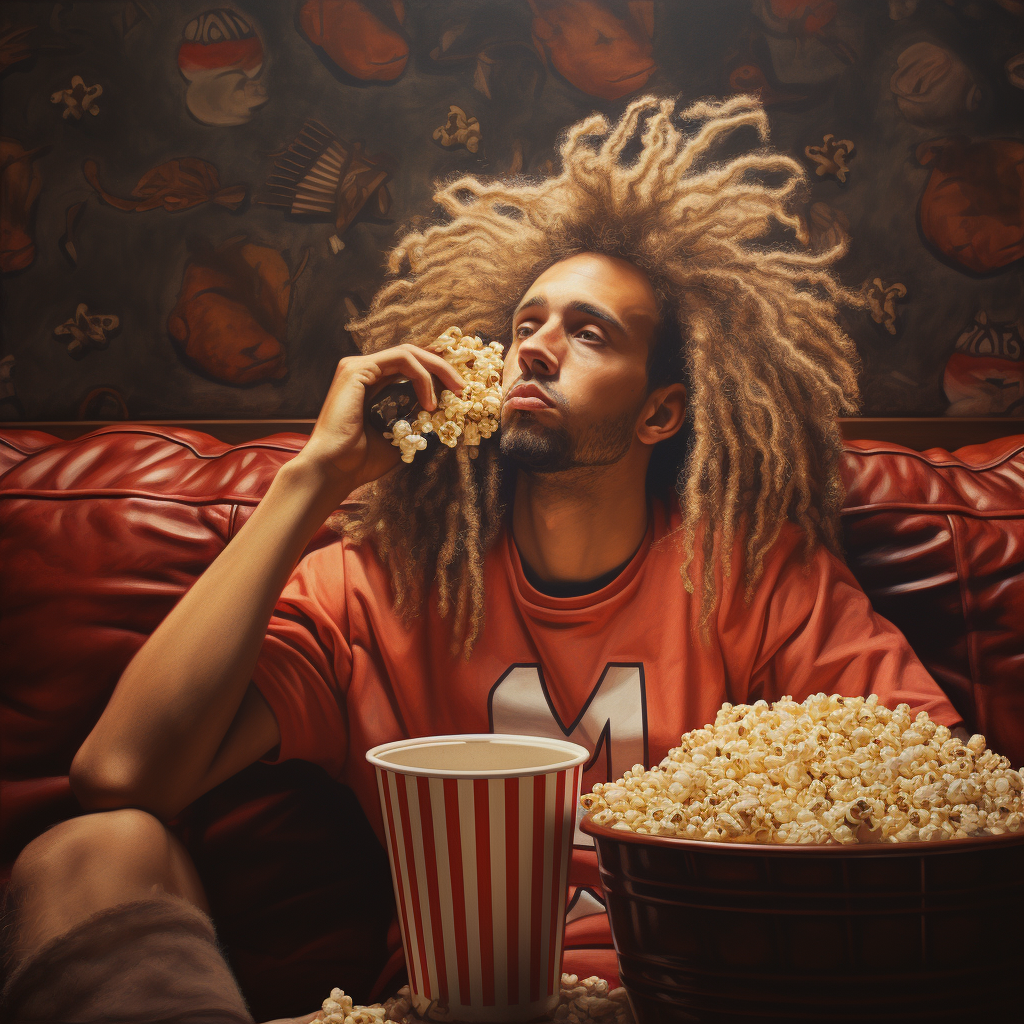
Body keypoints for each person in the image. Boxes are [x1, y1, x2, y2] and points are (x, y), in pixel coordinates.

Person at [2, 95, 960, 1022]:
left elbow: (941, 805)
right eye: (525, 326)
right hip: (442, 1006)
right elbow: (122, 775)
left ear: (660, 413)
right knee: (86, 850)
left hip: (681, 998)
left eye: (588, 334)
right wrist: (311, 482)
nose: (535, 352)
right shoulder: (379, 584)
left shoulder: (749, 577)